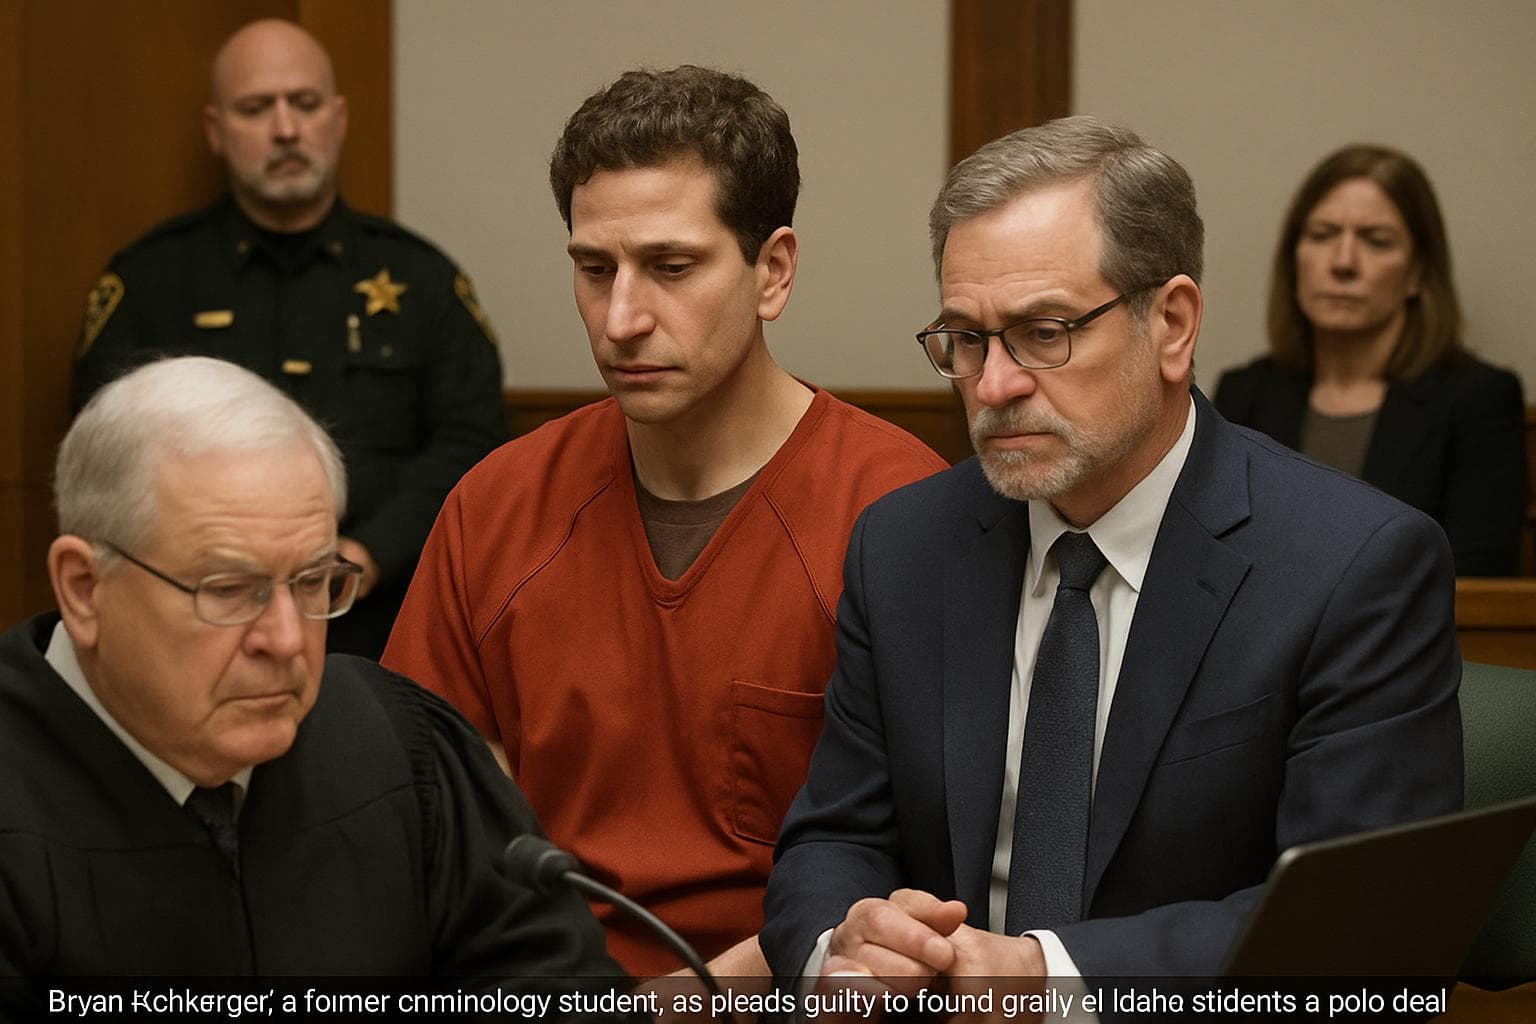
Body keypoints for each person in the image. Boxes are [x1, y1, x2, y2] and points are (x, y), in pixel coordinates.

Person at [760, 118, 1462, 1001]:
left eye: (1045, 331)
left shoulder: (1353, 566)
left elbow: (1360, 927)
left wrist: (1048, 978)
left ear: (1172, 323)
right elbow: (833, 838)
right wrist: (844, 945)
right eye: (966, 338)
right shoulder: (905, 546)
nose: (994, 384)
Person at [382, 66, 947, 978]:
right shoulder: (498, 505)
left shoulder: (897, 510)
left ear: (773, 272)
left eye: (671, 268)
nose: (621, 319)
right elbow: (430, 821)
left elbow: (928, 864)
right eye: (594, 269)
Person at [0, 357, 623, 1014]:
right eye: (229, 590)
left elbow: (554, 981)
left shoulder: (395, 744)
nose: (287, 640)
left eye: (312, 582)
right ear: (84, 588)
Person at [72, 18, 509, 657]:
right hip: (203, 626)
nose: (285, 128)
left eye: (304, 103)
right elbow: (105, 459)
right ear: (215, 130)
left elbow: (471, 439)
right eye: (256, 108)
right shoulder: (150, 282)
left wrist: (367, 555)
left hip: (385, 628)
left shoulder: (421, 280)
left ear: (338, 118)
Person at [1215, 144, 1527, 577]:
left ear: (1417, 272)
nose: (1344, 263)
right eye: (1322, 235)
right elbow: (1212, 559)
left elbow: (1478, 582)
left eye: (1376, 241)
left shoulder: (1478, 400)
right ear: (1294, 259)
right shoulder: (1245, 393)